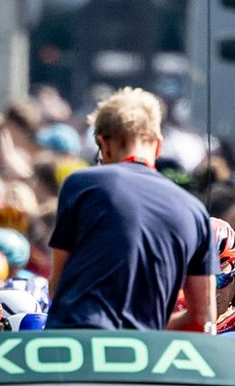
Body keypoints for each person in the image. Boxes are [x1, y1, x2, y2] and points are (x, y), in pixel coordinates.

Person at [47, 87, 216, 332]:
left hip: (77, 349)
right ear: (158, 146)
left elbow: (57, 289)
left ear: (103, 145)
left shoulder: (81, 184)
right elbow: (203, 318)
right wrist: (145, 330)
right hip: (142, 360)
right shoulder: (195, 211)